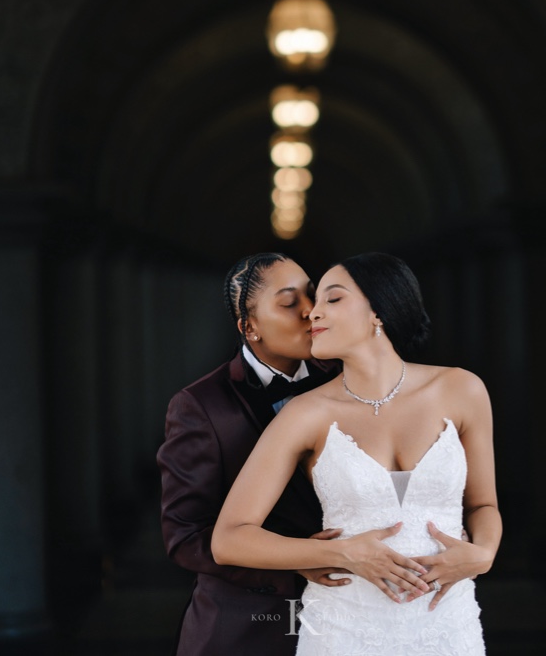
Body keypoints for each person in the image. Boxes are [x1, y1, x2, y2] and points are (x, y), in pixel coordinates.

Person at [212, 252, 499, 655]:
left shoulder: (462, 390)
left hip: (449, 627)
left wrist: (484, 555)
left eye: (332, 298)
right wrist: (340, 551)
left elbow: (484, 504)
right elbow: (229, 540)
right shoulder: (305, 413)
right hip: (342, 630)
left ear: (377, 312)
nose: (312, 313)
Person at [157, 253, 345, 656]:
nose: (311, 310)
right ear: (250, 327)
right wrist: (295, 558)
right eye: (289, 302)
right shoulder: (199, 406)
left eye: (313, 295)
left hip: (344, 615)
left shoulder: (346, 381)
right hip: (246, 624)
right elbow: (184, 535)